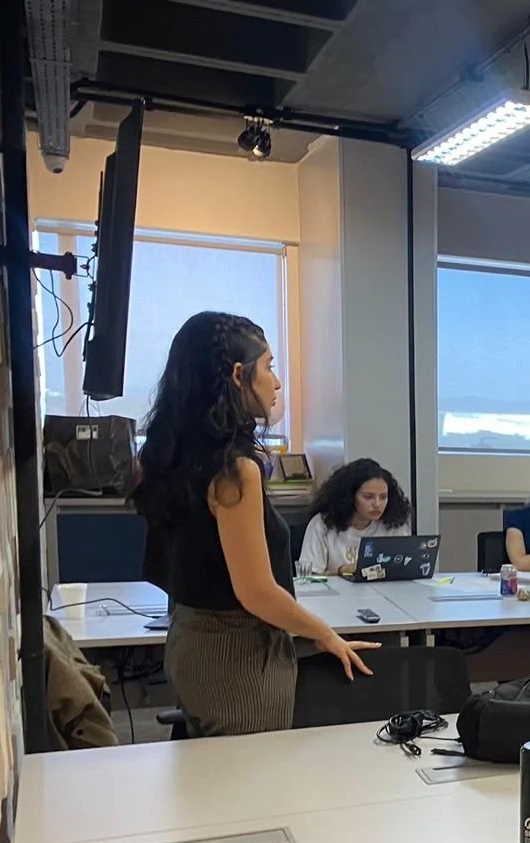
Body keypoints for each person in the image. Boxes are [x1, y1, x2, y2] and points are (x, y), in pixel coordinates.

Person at [132, 312, 377, 737]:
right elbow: (257, 591)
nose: (277, 383)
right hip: (237, 656)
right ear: (238, 376)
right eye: (269, 367)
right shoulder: (234, 471)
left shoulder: (169, 457)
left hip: (190, 638)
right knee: (251, 785)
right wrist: (325, 635)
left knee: (221, 783)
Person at [296, 458, 413, 576]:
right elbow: (308, 577)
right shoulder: (322, 525)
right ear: (350, 497)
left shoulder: (394, 523)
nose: (377, 504)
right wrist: (341, 571)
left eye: (383, 497)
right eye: (368, 497)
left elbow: (406, 567)